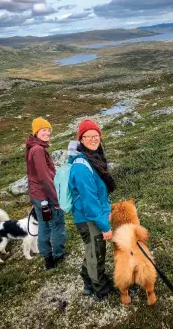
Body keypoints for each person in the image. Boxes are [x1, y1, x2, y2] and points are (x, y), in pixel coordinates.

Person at [68, 119, 116, 301]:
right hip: (88, 217)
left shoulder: (93, 159)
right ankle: (101, 289)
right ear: (81, 139)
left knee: (91, 250)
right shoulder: (82, 166)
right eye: (88, 136)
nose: (93, 139)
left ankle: (87, 281)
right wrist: (105, 226)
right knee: (96, 253)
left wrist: (107, 207)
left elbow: (99, 191)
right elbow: (90, 202)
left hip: (92, 214)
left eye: (96, 135)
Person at [26, 117, 66, 270]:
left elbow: (32, 175)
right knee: (56, 225)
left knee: (44, 224)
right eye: (43, 130)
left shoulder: (32, 147)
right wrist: (56, 201)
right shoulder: (38, 150)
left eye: (49, 130)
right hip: (45, 196)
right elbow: (44, 177)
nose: (47, 133)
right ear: (36, 132)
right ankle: (58, 255)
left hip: (37, 196)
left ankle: (47, 258)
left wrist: (33, 197)